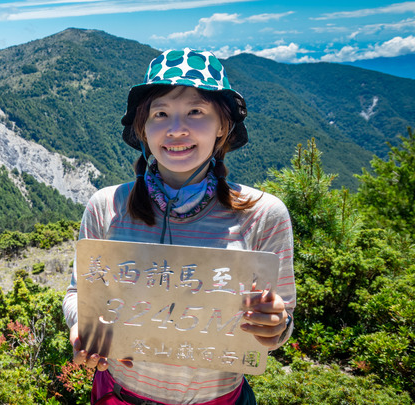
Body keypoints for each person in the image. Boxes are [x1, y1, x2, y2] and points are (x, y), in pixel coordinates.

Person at [62, 48, 296, 404]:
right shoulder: (106, 207)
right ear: (144, 127)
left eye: (196, 111)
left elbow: (281, 323)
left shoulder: (263, 214)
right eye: (160, 113)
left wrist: (276, 325)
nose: (176, 129)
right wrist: (83, 325)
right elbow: (78, 294)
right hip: (120, 394)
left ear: (222, 126)